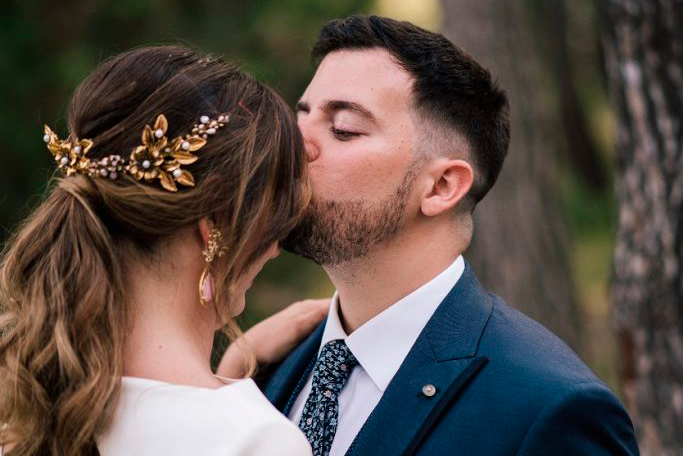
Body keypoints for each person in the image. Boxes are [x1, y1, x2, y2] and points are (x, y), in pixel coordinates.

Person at [257, 15, 640, 456]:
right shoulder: (271, 366)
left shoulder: (550, 409)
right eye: (299, 116)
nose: (292, 142)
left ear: (441, 187)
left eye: (343, 128)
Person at [0, 45, 323, 455]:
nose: (275, 249)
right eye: (275, 223)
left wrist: (231, 374)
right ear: (216, 228)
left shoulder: (29, 403)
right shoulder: (254, 440)